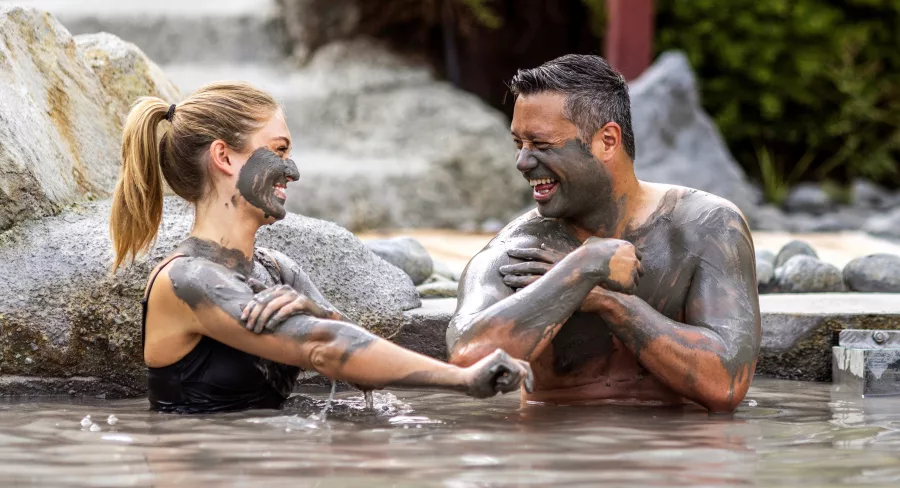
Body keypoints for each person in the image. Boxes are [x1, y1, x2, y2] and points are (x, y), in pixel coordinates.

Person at [110, 82, 531, 414]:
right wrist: (463, 379)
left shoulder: (277, 269)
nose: (292, 170)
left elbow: (357, 366)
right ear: (224, 157)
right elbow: (324, 346)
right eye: (279, 150)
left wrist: (321, 312)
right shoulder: (187, 280)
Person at [447, 55, 760, 413]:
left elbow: (727, 385)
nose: (522, 162)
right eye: (519, 144)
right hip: (558, 455)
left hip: (677, 457)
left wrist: (610, 302)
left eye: (542, 145)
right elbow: (466, 361)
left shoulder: (706, 227)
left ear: (607, 141)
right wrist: (582, 267)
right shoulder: (520, 250)